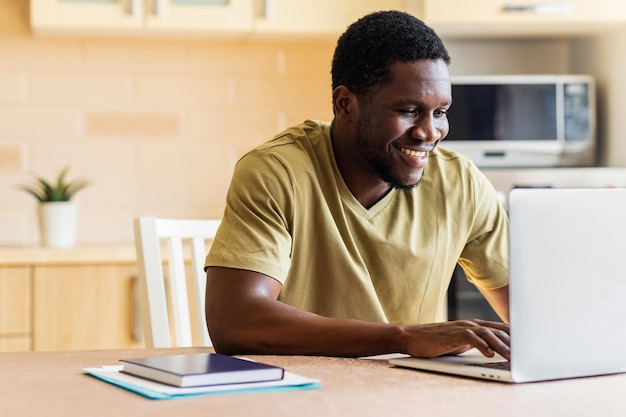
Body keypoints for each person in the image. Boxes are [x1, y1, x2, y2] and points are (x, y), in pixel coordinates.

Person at [204, 10, 510, 360]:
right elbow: (236, 323)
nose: (429, 132)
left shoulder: (461, 184)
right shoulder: (277, 172)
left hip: (405, 395)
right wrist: (404, 337)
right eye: (409, 110)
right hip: (297, 392)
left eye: (440, 112)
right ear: (345, 104)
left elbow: (533, 313)